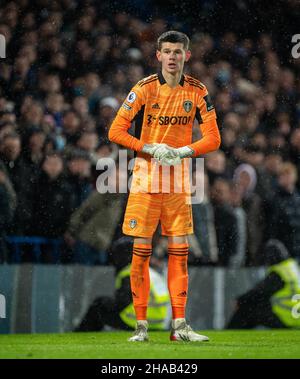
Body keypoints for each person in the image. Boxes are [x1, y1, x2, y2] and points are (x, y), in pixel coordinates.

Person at [109, 30, 221, 342]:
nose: (172, 57)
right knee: (141, 253)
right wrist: (148, 147)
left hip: (178, 183)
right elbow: (115, 131)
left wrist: (185, 151)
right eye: (167, 51)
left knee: (179, 253)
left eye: (178, 52)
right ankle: (141, 327)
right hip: (145, 179)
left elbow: (214, 139)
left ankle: (180, 327)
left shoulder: (197, 91)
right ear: (158, 56)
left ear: (187, 55)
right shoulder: (143, 89)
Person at [74, 237, 170, 332]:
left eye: (116, 254)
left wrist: (109, 304)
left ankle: (80, 334)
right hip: (159, 323)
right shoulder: (149, 271)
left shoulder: (130, 272)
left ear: (123, 255)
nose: (115, 259)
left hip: (139, 321)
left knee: (99, 305)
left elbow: (122, 303)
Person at [227, 239, 300, 329]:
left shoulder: (279, 272)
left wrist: (240, 300)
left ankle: (230, 334)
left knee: (248, 309)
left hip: (286, 318)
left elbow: (260, 292)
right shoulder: (292, 267)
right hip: (295, 316)